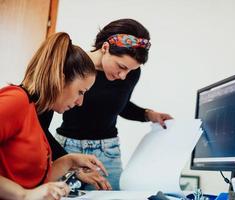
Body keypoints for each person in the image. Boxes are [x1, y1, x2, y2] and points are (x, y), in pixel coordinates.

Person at [53, 18, 173, 190]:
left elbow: (119, 105)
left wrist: (148, 114)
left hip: (108, 153)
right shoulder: (74, 65)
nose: (124, 76)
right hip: (67, 148)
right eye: (121, 66)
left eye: (130, 70)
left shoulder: (131, 74)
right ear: (105, 48)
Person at [0, 32, 108, 200]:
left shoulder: (35, 112)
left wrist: (69, 161)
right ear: (60, 79)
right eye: (80, 92)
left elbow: (30, 181)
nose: (80, 102)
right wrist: (24, 195)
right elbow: (27, 191)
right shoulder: (16, 101)